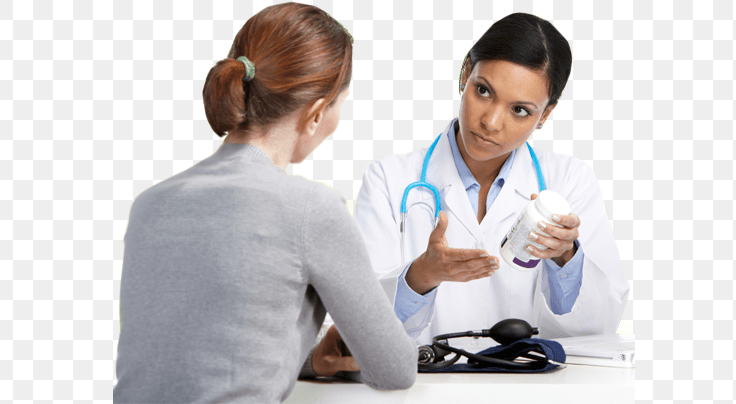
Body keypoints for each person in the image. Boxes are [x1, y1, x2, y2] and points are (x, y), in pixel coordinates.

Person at [113, 3, 416, 403]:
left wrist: (309, 360)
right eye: (339, 105)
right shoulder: (312, 208)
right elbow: (393, 369)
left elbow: (188, 355)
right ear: (315, 114)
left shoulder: (149, 205)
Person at [353, 13, 630, 346]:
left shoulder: (569, 181)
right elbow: (358, 320)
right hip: (420, 392)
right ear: (465, 74)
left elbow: (598, 328)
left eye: (520, 110)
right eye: (483, 91)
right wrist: (421, 276)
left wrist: (565, 257)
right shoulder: (389, 179)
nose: (492, 122)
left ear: (545, 115)